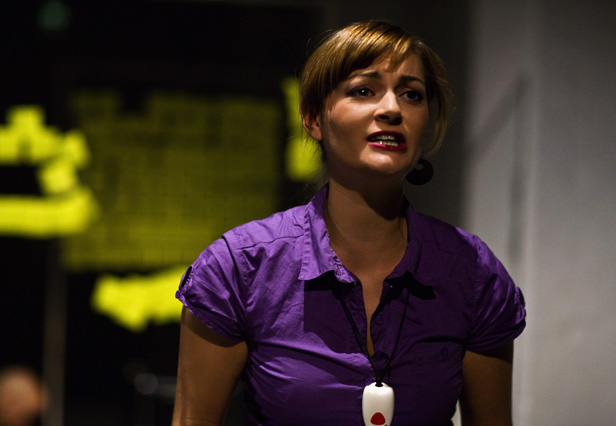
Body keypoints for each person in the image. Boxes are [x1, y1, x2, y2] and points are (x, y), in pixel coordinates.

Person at [173, 20, 526, 426]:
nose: (392, 109)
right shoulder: (239, 267)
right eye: (363, 91)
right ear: (313, 119)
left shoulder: (472, 271)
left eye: (411, 94)